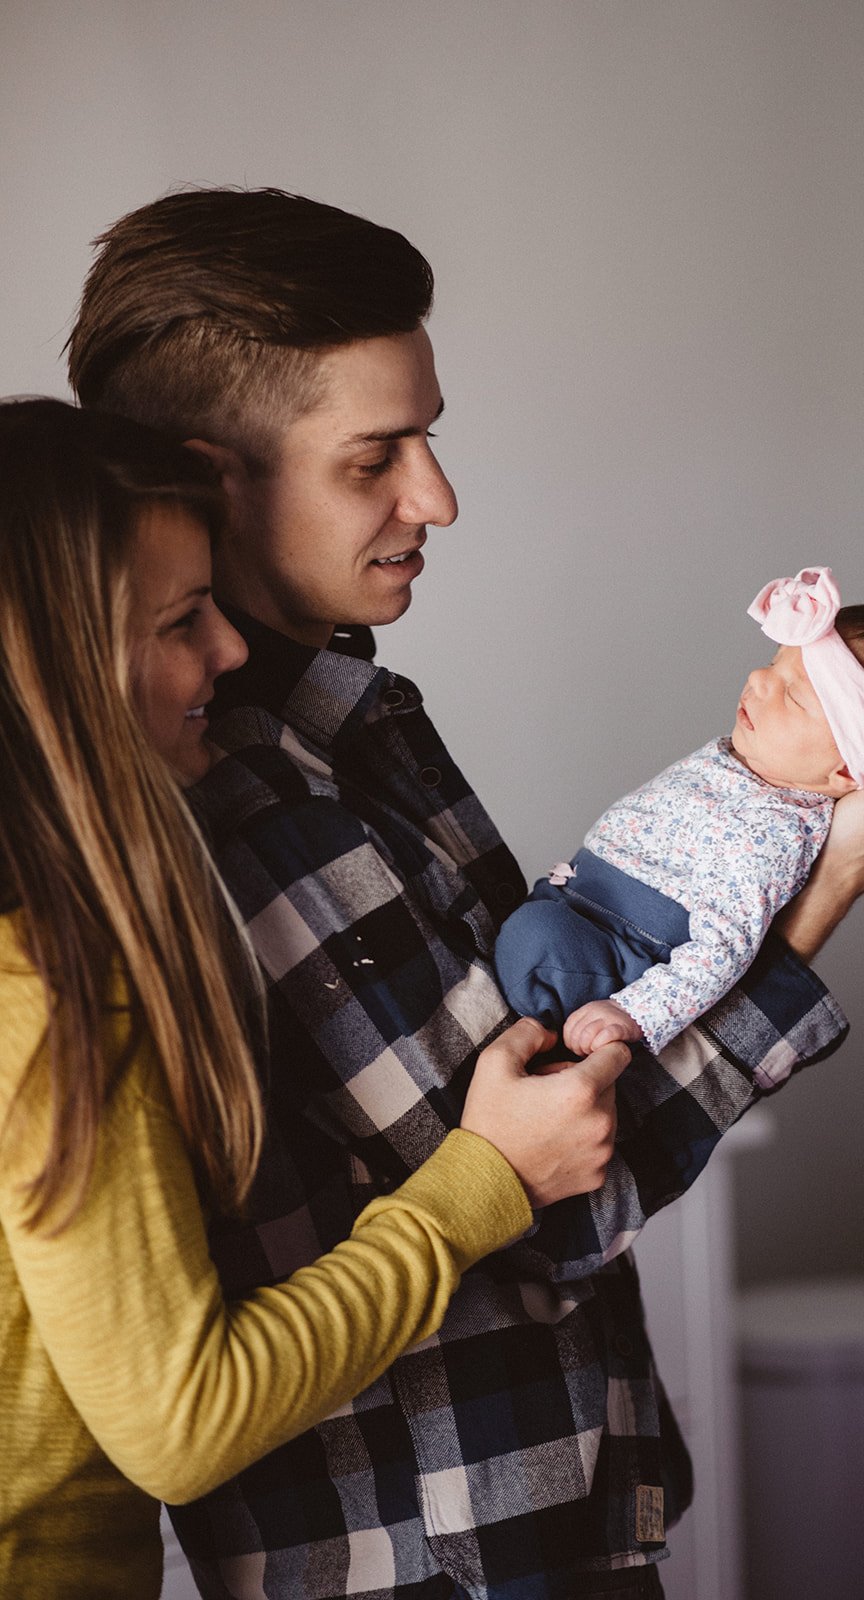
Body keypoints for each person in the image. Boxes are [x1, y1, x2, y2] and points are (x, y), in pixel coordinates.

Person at [66, 186, 864, 1600]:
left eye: (427, 439)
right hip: (431, 1564)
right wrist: (829, 888)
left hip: (553, 1518)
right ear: (209, 480)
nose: (435, 497)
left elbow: (558, 1069)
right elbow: (540, 1192)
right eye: (375, 457)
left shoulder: (367, 723)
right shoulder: (235, 797)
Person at [0, 398, 631, 1600]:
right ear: (58, 667)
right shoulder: (43, 979)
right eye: (182, 622)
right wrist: (472, 1186)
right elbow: (183, 1420)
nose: (227, 654)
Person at [496, 566, 864, 1057]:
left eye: (793, 695)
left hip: (625, 949)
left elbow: (725, 944)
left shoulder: (780, 834)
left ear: (844, 772)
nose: (758, 679)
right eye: (773, 664)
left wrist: (636, 1012)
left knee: (534, 942)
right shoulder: (741, 761)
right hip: (580, 897)